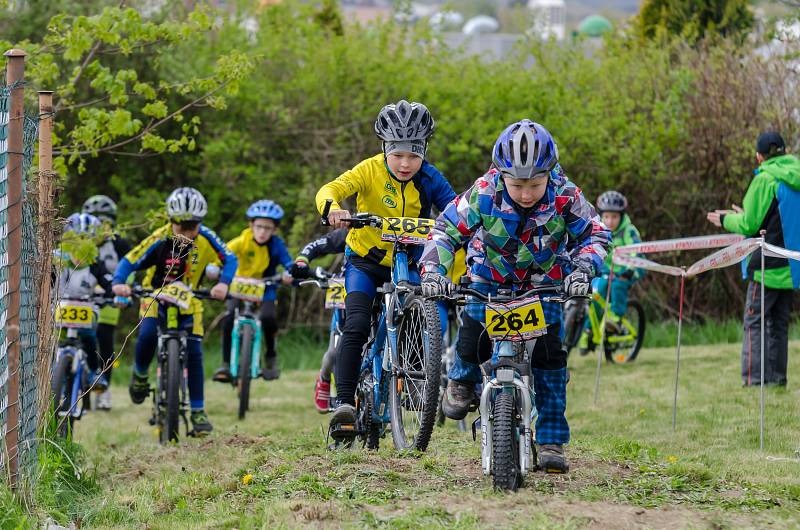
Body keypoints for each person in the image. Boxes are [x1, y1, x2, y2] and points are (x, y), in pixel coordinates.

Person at [420, 119, 611, 472]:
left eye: (535, 185)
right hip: (487, 277)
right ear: (500, 174)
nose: (526, 194)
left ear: (549, 175)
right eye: (517, 184)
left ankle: (551, 437)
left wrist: (583, 270)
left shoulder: (566, 195)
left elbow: (596, 236)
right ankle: (462, 380)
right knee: (473, 334)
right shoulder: (482, 192)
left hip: (545, 284)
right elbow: (446, 230)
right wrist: (433, 272)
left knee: (551, 360)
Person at [315, 99, 456, 439]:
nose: (406, 163)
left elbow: (456, 212)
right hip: (366, 261)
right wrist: (333, 207)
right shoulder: (368, 170)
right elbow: (330, 189)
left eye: (414, 154)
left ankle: (412, 381)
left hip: (411, 260)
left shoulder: (430, 177)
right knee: (358, 322)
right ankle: (344, 404)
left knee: (426, 310)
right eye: (398, 155)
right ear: (385, 149)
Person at [112, 187, 237, 435]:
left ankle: (198, 410)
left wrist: (223, 283)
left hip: (191, 299)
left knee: (194, 351)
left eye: (194, 227)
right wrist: (119, 282)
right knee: (147, 334)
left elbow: (230, 259)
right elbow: (130, 260)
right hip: (155, 295)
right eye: (182, 227)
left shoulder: (208, 237)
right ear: (171, 222)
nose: (188, 233)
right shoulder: (159, 238)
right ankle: (139, 375)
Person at [707, 131, 800, 386]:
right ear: (783, 151)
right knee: (780, 324)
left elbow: (749, 224)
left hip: (766, 266)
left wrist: (726, 219)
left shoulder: (765, 179)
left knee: (754, 321)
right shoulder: (796, 175)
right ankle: (778, 378)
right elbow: (776, 215)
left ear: (759, 157)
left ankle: (754, 379)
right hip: (791, 267)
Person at [212, 200, 293, 383]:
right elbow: (221, 256)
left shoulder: (276, 245)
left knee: (268, 318)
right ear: (251, 225)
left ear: (275, 230)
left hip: (266, 287)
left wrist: (290, 273)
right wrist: (214, 269)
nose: (262, 231)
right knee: (228, 317)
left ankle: (270, 357)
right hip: (238, 286)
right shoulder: (241, 241)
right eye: (259, 226)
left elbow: (289, 263)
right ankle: (225, 363)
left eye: (267, 228)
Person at [289, 227, 349, 412]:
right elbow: (317, 245)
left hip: (383, 291)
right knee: (334, 351)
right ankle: (324, 378)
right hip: (347, 290)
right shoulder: (354, 228)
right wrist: (301, 261)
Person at [81, 195, 132, 410]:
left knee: (104, 337)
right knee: (82, 337)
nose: (100, 226)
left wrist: (124, 291)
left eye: (104, 221)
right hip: (84, 296)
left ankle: (105, 389)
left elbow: (131, 270)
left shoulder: (119, 244)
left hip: (111, 297)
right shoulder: (80, 245)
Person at [578, 190, 644, 353]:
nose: (610, 221)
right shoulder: (599, 229)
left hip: (628, 269)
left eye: (614, 217)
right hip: (606, 270)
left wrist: (630, 269)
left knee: (617, 286)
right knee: (595, 295)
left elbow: (637, 250)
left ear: (621, 216)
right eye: (606, 216)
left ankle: (615, 318)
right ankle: (588, 332)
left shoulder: (628, 231)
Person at [57, 213, 113, 390]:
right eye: (78, 239)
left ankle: (93, 371)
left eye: (88, 239)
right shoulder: (55, 258)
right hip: (57, 307)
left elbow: (109, 283)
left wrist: (116, 294)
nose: (82, 244)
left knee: (90, 337)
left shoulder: (95, 263)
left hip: (86, 308)